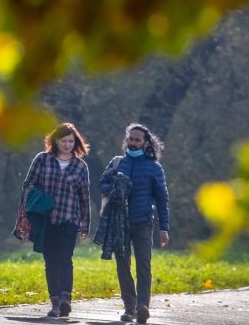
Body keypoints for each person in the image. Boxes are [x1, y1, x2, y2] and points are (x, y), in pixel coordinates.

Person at [14, 122, 91, 317]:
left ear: (76, 143)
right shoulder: (42, 160)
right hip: (45, 219)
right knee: (50, 261)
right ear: (55, 141)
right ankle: (55, 302)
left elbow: (84, 197)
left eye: (71, 141)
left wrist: (84, 225)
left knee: (65, 258)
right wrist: (36, 197)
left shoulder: (80, 166)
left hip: (69, 218)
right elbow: (28, 183)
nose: (67, 145)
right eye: (63, 141)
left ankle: (66, 298)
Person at [100, 123, 170, 324]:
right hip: (119, 223)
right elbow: (102, 183)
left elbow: (162, 198)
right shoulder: (117, 162)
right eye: (131, 139)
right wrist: (114, 186)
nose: (133, 142)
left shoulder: (154, 167)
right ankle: (129, 308)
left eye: (137, 140)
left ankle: (142, 306)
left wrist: (164, 228)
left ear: (146, 143)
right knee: (122, 266)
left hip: (143, 223)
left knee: (143, 265)